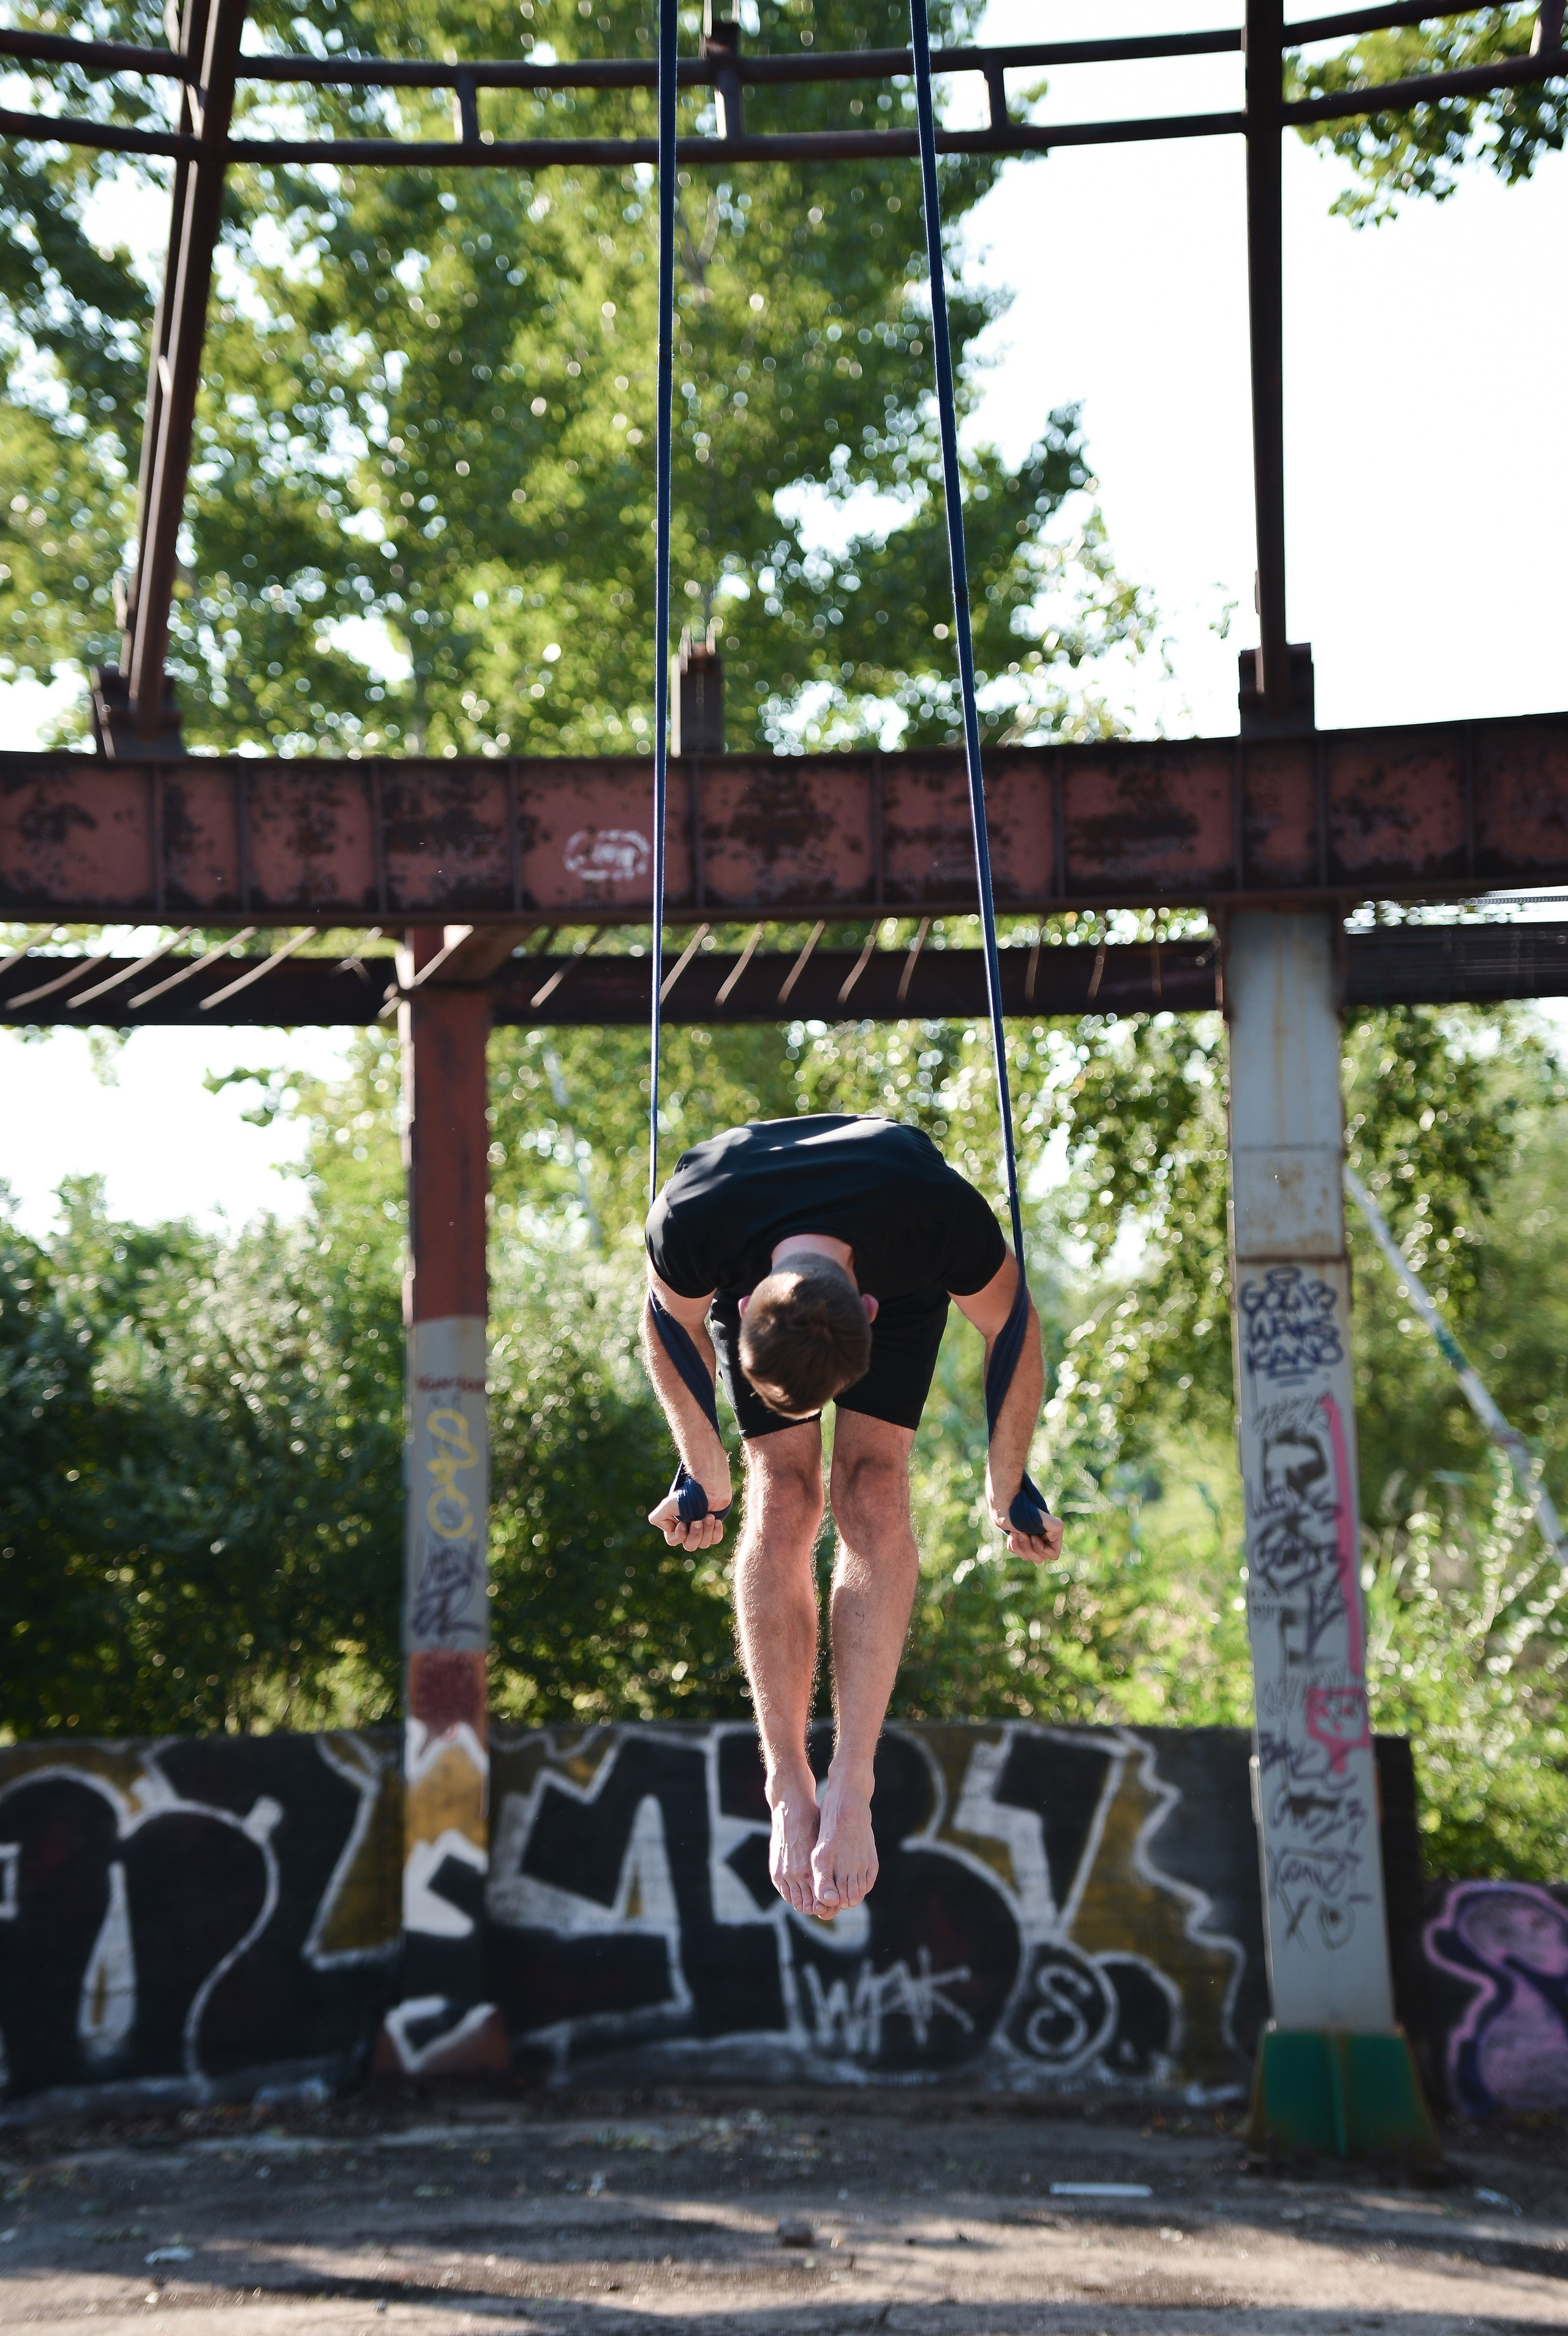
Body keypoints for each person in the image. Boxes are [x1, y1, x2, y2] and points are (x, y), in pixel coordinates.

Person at [641, 1112, 1061, 1925]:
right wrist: (703, 1463)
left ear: (865, 1308)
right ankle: (787, 1780)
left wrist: (1008, 1481)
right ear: (741, 1303)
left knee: (873, 1488)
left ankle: (853, 1779)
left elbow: (1013, 1319)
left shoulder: (936, 1216)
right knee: (784, 1488)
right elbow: (667, 1320)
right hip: (761, 1262)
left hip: (897, 1266)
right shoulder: (696, 1220)